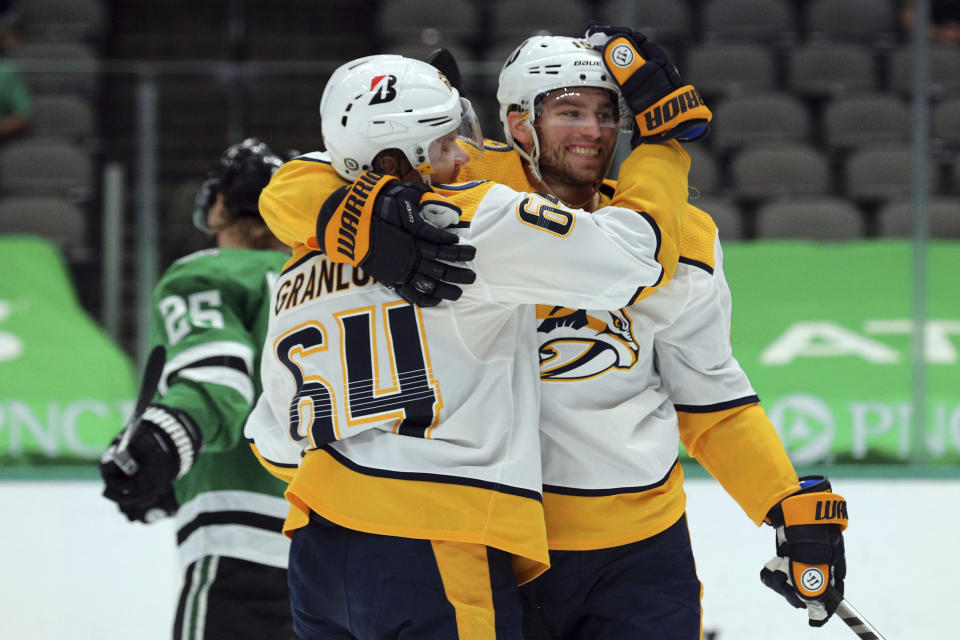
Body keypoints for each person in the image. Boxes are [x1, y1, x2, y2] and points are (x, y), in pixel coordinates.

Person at [339, 29, 850, 639]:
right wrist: (344, 213)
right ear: (519, 123)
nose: (595, 130)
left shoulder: (682, 236)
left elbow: (711, 398)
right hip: (505, 542)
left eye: (608, 113)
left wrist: (782, 501)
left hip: (644, 552)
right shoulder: (455, 195)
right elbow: (308, 175)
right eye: (569, 111)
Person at [244, 52, 692, 640]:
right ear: (391, 159)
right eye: (445, 143)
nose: (463, 154)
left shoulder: (303, 262)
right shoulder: (470, 221)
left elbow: (270, 436)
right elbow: (639, 259)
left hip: (318, 557)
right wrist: (665, 144)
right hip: (441, 540)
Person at [99, 138, 297, 640]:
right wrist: (169, 485)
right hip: (345, 557)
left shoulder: (207, 272)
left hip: (241, 549)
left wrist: (163, 440)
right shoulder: (335, 284)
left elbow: (218, 381)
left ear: (219, 206)